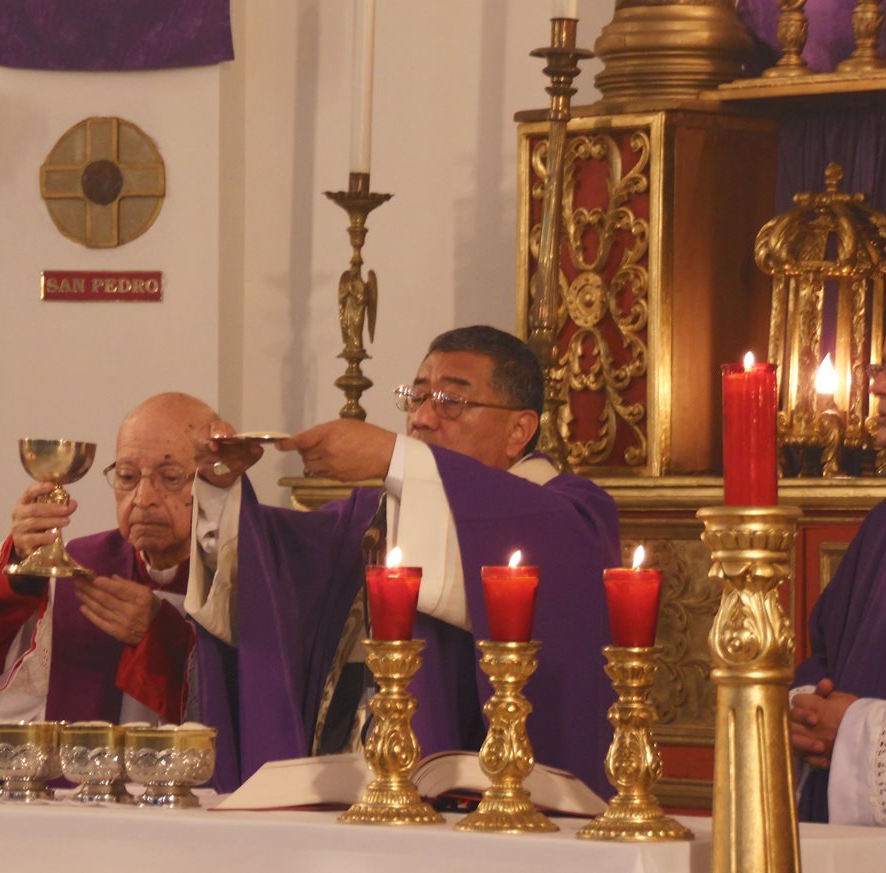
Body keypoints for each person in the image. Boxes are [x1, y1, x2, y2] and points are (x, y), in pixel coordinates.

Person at [190, 325, 622, 795]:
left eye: (451, 402)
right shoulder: (371, 513)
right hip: (349, 786)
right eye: (416, 398)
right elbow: (274, 569)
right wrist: (221, 489)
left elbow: (530, 541)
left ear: (520, 430)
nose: (423, 418)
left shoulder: (571, 514)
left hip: (476, 802)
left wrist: (392, 456)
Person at [0, 393, 211, 733]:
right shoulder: (80, 569)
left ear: (213, 480)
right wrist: (23, 568)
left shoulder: (240, 575)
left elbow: (260, 700)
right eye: (126, 476)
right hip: (83, 784)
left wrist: (159, 635)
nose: (143, 498)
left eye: (170, 477)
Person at [791, 294, 886, 827]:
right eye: (881, 368)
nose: (878, 385)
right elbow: (827, 652)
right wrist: (812, 708)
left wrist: (855, 730)